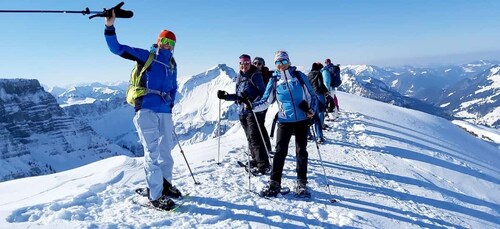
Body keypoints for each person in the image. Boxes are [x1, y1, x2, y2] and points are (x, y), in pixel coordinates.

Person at [104, 10, 181, 211]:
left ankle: (165, 185)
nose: (167, 45)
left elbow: (173, 87)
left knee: (166, 151)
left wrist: (170, 104)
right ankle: (155, 195)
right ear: (158, 41)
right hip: (146, 108)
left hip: (164, 111)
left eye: (171, 43)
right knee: (152, 152)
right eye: (164, 41)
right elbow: (117, 49)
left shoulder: (172, 64)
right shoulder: (146, 56)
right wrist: (109, 27)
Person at [250, 51, 318, 197]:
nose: (281, 65)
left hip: (302, 120)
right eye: (278, 63)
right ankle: (275, 183)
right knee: (280, 152)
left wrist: (312, 110)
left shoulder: (299, 76)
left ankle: (301, 182)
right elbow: (266, 100)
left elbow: (312, 95)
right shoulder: (274, 80)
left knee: (301, 151)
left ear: (288, 61)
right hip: (284, 121)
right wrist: (252, 106)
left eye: (283, 61)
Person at [217, 54, 271, 175]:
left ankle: (264, 164)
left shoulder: (255, 75)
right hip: (241, 111)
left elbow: (262, 93)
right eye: (241, 63)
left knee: (255, 137)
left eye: (246, 63)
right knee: (249, 137)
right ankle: (255, 159)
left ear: (250, 63)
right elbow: (239, 96)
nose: (244, 66)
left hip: (252, 111)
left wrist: (252, 102)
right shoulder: (239, 77)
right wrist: (226, 97)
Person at [252, 57, 273, 153]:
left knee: (259, 125)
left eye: (259, 63)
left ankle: (266, 148)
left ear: (263, 65)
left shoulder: (264, 75)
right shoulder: (253, 74)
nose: (257, 65)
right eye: (255, 63)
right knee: (258, 125)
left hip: (262, 104)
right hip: (254, 104)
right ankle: (263, 147)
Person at [307, 62, 329, 143]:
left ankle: (308, 135)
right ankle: (319, 136)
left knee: (310, 116)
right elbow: (320, 84)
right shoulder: (318, 73)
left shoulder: (309, 74)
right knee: (319, 114)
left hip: (311, 95)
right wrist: (326, 91)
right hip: (319, 94)